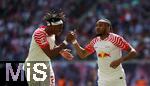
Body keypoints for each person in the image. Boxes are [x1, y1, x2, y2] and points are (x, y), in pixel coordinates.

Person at [67, 18, 137, 86]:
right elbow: (83, 54)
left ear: (108, 27)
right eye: (97, 25)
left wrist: (119, 60)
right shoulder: (95, 41)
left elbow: (133, 52)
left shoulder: (116, 38)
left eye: (100, 25)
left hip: (117, 78)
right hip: (102, 79)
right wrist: (74, 41)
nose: (97, 27)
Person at [24, 10, 73, 86]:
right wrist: (66, 42)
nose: (61, 30)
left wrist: (61, 51)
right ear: (51, 26)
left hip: (46, 65)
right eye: (58, 27)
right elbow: (50, 54)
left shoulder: (52, 34)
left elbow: (51, 45)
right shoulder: (39, 34)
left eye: (62, 27)